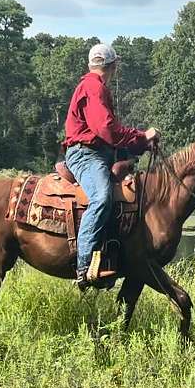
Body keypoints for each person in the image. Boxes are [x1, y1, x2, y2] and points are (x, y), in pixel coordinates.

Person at [63, 43, 159, 290]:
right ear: (113, 66)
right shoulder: (94, 88)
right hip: (86, 155)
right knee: (102, 198)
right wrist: (142, 135)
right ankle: (84, 266)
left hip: (100, 152)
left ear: (91, 64)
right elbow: (106, 130)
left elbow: (111, 136)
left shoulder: (93, 86)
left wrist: (141, 143)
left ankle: (113, 255)